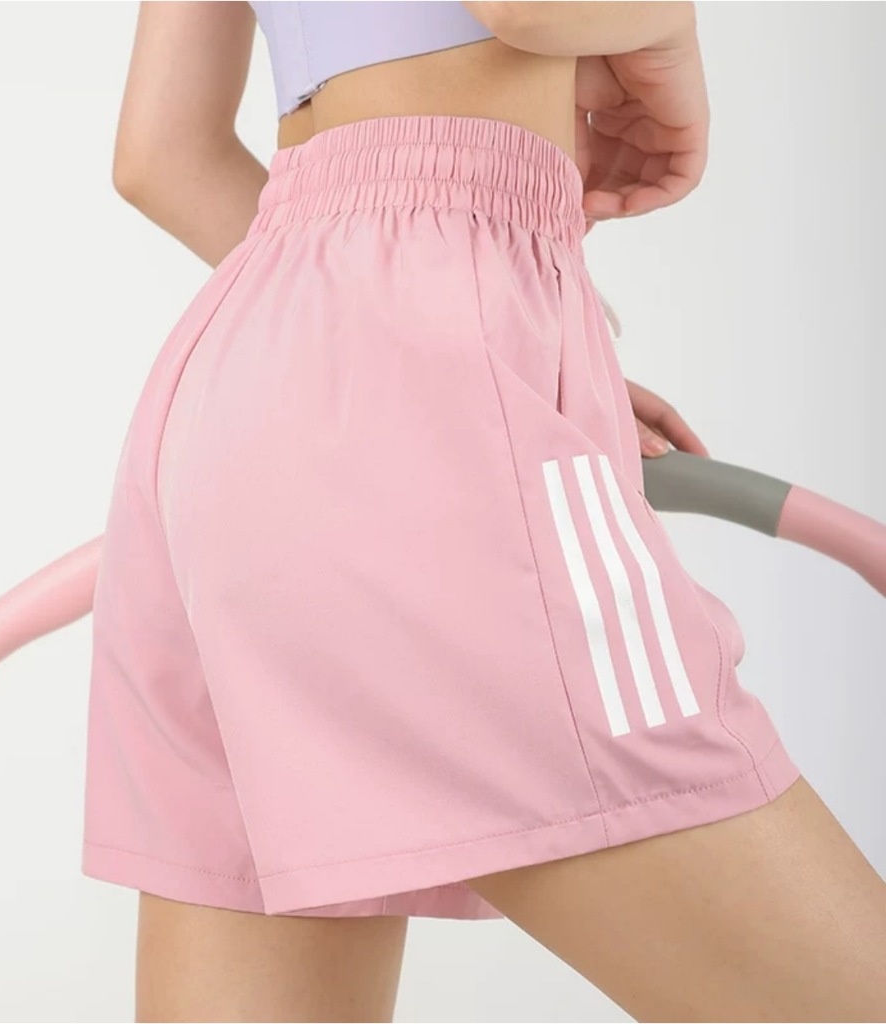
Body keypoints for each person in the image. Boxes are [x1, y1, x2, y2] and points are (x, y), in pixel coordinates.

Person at [84, 3, 886, 1020]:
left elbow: (161, 152)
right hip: (431, 366)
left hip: (229, 383)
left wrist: (422, 328)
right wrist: (667, 35)